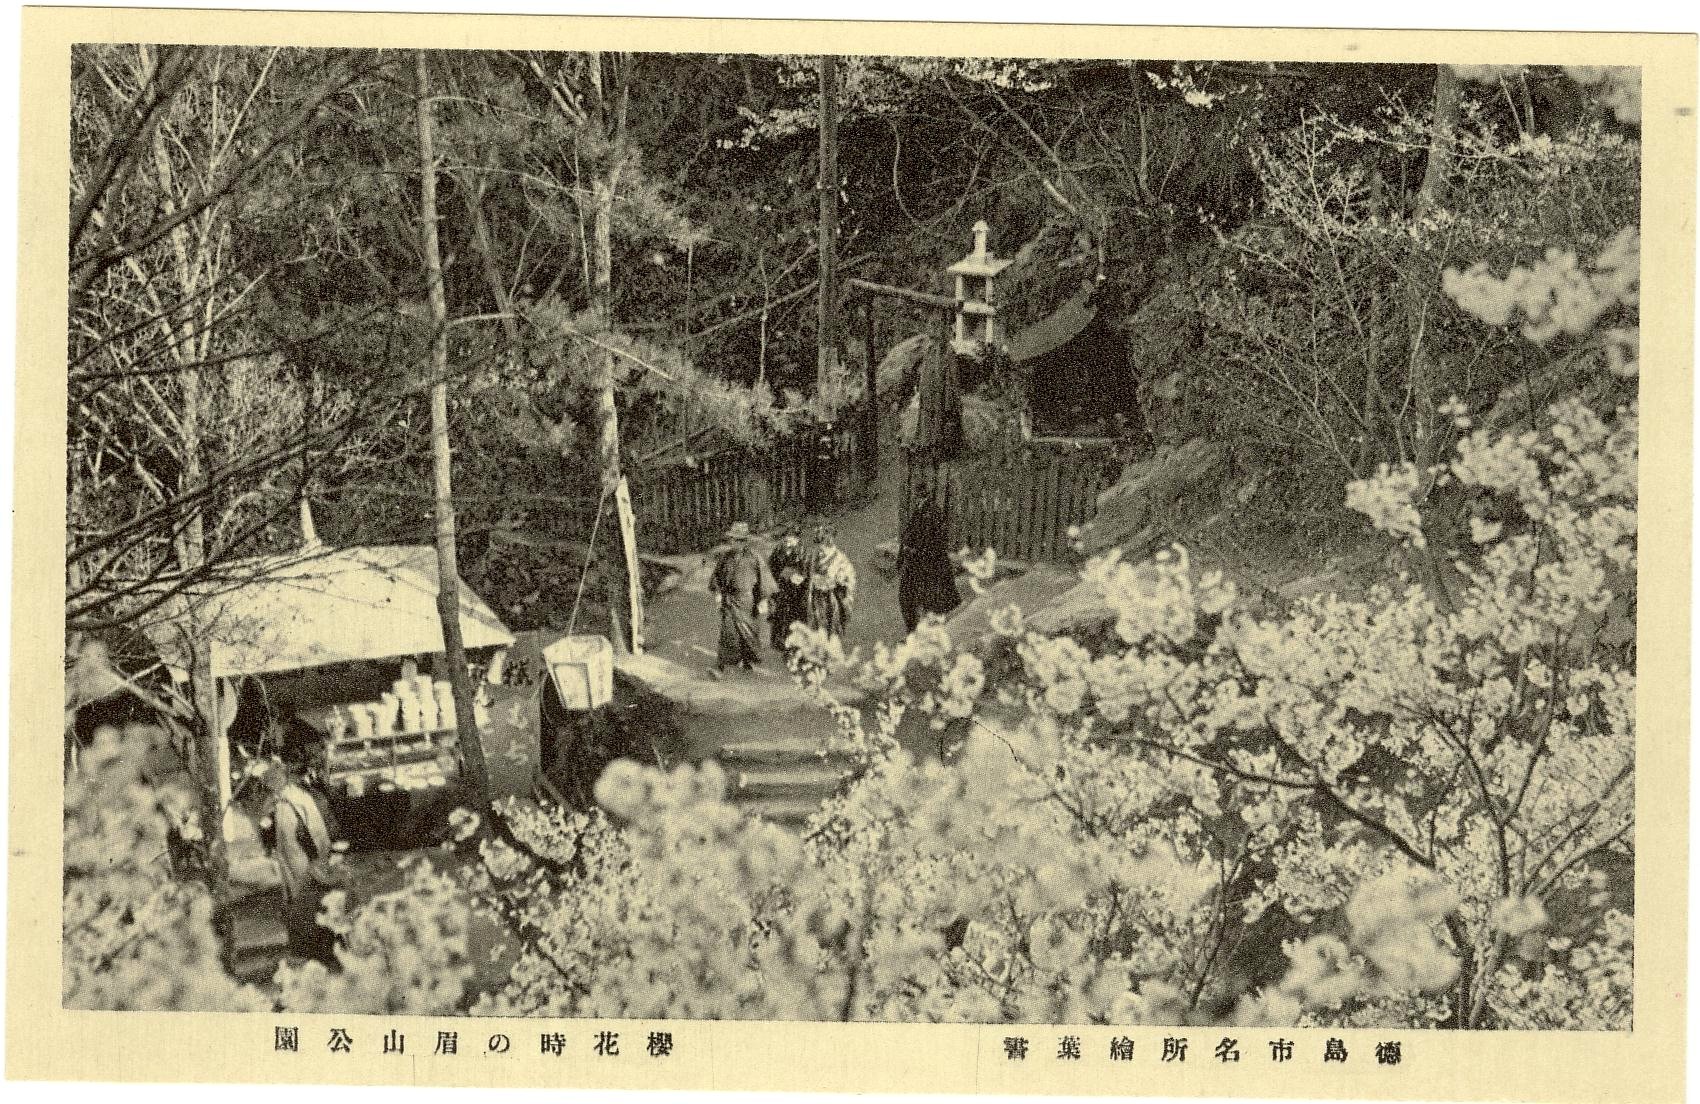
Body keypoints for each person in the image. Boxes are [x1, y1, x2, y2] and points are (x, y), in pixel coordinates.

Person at [259, 763, 342, 964]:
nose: (271, 788)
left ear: (282, 780)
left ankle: (321, 948)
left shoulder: (298, 799)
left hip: (304, 859)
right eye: (269, 785)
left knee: (310, 900)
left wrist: (317, 859)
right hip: (288, 859)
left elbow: (313, 831)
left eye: (273, 783)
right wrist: (268, 835)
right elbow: (267, 828)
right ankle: (303, 946)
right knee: (295, 901)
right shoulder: (276, 802)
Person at [708, 521, 775, 677]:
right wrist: (718, 594)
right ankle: (720, 666)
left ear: (745, 541)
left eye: (739, 540)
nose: (735, 543)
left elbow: (765, 579)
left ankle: (746, 660)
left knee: (748, 632)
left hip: (747, 600)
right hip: (730, 600)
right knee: (728, 632)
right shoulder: (725, 557)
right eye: (733, 540)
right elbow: (717, 576)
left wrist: (763, 599)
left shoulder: (754, 557)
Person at [899, 490, 962, 632]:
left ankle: (927, 628)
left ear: (924, 496)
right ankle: (916, 628)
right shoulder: (920, 510)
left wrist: (916, 549)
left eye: (919, 496)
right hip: (920, 559)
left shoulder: (932, 512)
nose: (916, 499)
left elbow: (933, 538)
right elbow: (911, 532)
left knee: (929, 596)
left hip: (929, 560)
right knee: (912, 595)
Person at [806, 525, 857, 642]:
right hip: (817, 594)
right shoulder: (814, 556)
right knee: (818, 620)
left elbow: (849, 574)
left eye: (824, 543)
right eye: (820, 543)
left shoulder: (839, 557)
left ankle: (832, 641)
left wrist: (841, 578)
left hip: (832, 593)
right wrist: (812, 584)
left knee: (833, 618)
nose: (821, 549)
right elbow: (809, 573)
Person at [767, 524, 810, 657]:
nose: (788, 540)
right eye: (786, 537)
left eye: (792, 537)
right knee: (779, 613)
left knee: (795, 614)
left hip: (798, 590)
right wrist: (781, 575)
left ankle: (795, 642)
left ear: (797, 539)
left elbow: (807, 570)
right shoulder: (778, 551)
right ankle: (778, 640)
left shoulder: (803, 552)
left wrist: (800, 577)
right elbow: (771, 568)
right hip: (781, 587)